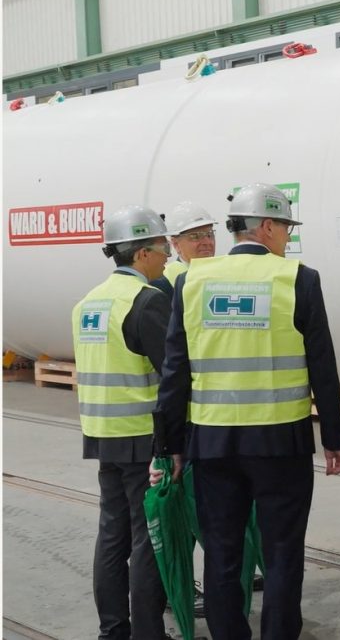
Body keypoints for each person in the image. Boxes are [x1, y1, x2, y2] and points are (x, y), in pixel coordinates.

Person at [154, 183, 340, 640]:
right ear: (266, 226)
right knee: (282, 553)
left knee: (221, 553)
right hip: (281, 443)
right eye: (284, 226)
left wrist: (171, 446)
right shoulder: (298, 279)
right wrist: (335, 440)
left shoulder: (192, 282)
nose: (286, 236)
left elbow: (174, 372)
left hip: (213, 443)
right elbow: (322, 364)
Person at [74, 205, 170, 640]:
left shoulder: (87, 303)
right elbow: (173, 374)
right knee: (147, 539)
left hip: (101, 435)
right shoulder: (146, 301)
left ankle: (113, 631)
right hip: (140, 435)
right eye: (163, 246)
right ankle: (149, 634)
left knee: (111, 536)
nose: (167, 255)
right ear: (142, 253)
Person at [153, 201, 218, 299]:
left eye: (209, 234)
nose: (207, 242)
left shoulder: (222, 273)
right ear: (176, 244)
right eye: (195, 236)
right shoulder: (164, 281)